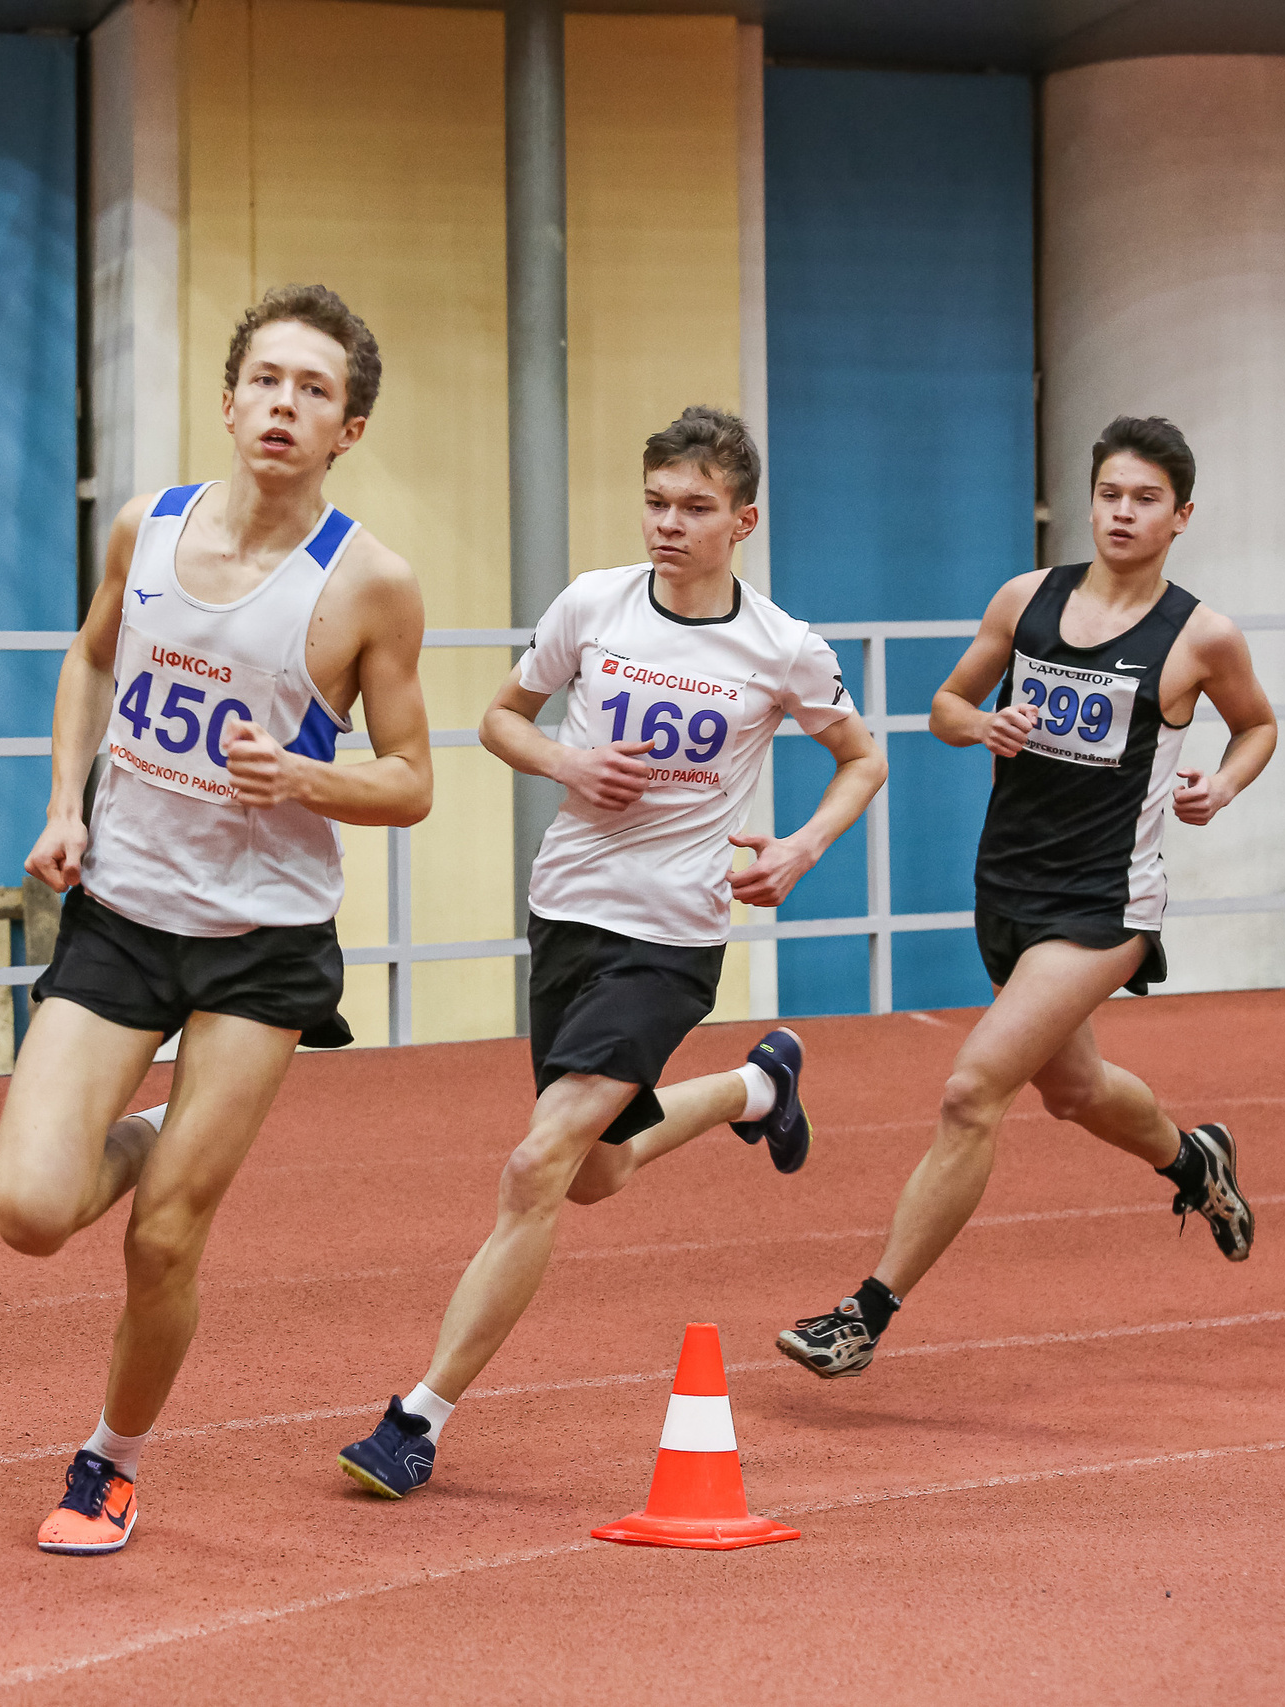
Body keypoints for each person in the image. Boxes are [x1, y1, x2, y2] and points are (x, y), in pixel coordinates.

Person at [335, 406, 887, 1498]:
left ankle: (417, 1419)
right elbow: (501, 718)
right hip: (566, 915)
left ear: (743, 521)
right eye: (655, 503)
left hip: (670, 937)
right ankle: (754, 1087)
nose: (668, 524)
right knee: (593, 1171)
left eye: (694, 508)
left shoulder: (782, 648)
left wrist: (801, 848)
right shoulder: (593, 603)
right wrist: (566, 762)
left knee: (537, 1163)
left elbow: (862, 760)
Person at [0, 284, 432, 1553]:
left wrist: (304, 778)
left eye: (315, 391)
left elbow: (411, 781)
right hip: (124, 912)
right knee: (30, 1212)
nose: (284, 406)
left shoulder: (369, 585)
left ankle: (108, 1464)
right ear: (229, 398)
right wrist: (65, 803)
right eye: (267, 381)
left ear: (348, 429)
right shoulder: (146, 528)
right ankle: (146, 1131)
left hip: (262, 945)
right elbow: (91, 658)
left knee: (165, 1238)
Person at [777, 414, 1279, 1379]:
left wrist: (1221, 784)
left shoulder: (1201, 635)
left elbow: (1257, 726)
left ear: (1181, 516)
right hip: (1006, 886)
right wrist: (984, 724)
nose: (1122, 513)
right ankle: (1194, 1160)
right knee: (1075, 1091)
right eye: (1109, 494)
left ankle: (864, 1315)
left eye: (1145, 499)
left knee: (972, 1091)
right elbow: (944, 706)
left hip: (1105, 904)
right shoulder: (1027, 599)